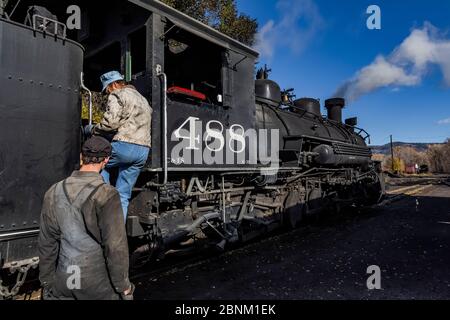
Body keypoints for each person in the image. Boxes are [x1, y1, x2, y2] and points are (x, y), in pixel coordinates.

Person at [38, 136, 134, 300]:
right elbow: (115, 247)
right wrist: (123, 286)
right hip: (98, 286)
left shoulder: (53, 191)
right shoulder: (107, 194)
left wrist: (47, 282)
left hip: (64, 281)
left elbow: (47, 242)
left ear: (82, 157)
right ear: (106, 161)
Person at [90, 71, 152, 221]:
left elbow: (110, 122)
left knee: (98, 163)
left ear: (113, 85)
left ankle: (105, 193)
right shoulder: (143, 100)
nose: (107, 93)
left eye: (107, 89)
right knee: (123, 196)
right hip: (143, 151)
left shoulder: (117, 94)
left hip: (124, 146)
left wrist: (92, 129)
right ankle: (118, 235)